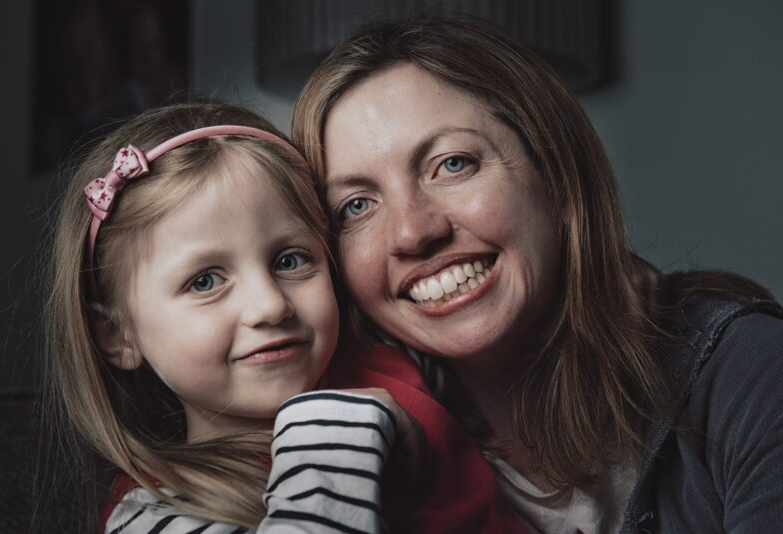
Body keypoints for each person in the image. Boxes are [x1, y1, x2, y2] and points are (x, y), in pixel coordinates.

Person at [291, 17, 783, 533]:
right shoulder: (347, 431)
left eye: (452, 164)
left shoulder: (752, 374)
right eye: (356, 206)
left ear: (554, 170)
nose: (413, 233)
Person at [42, 100, 522, 533]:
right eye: (205, 281)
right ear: (117, 335)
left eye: (290, 260)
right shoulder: (154, 514)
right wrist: (330, 442)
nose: (271, 304)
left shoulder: (391, 358)